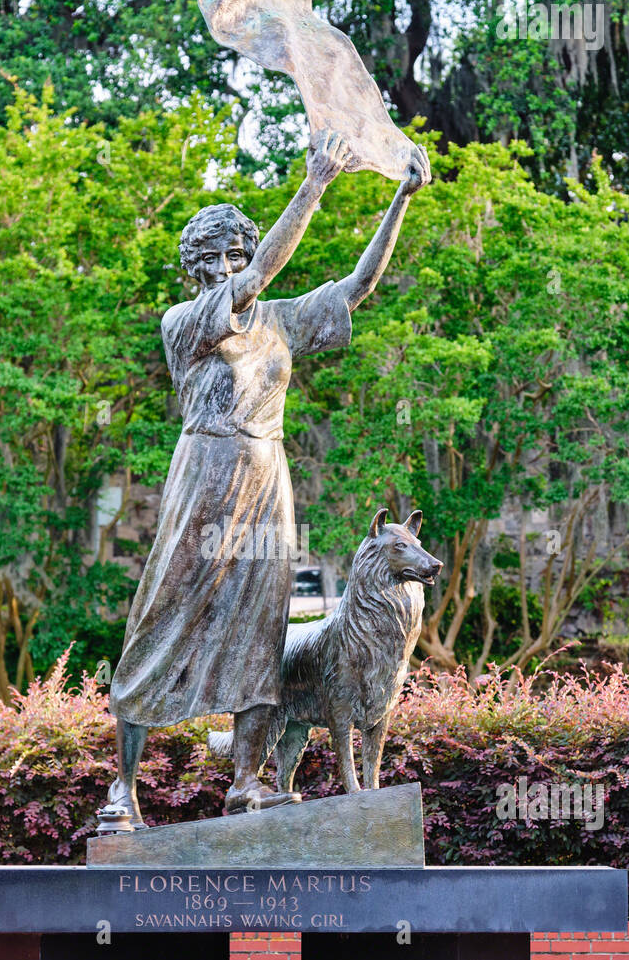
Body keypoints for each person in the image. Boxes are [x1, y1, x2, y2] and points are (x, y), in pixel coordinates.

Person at [106, 129, 431, 821]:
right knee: (160, 622)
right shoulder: (186, 321)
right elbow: (256, 283)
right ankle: (122, 789)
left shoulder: (280, 322)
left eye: (237, 253)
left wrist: (399, 200)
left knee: (263, 634)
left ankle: (247, 780)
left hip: (268, 484)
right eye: (216, 257)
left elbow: (358, 285)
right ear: (198, 269)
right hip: (205, 478)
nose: (230, 266)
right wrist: (313, 183)